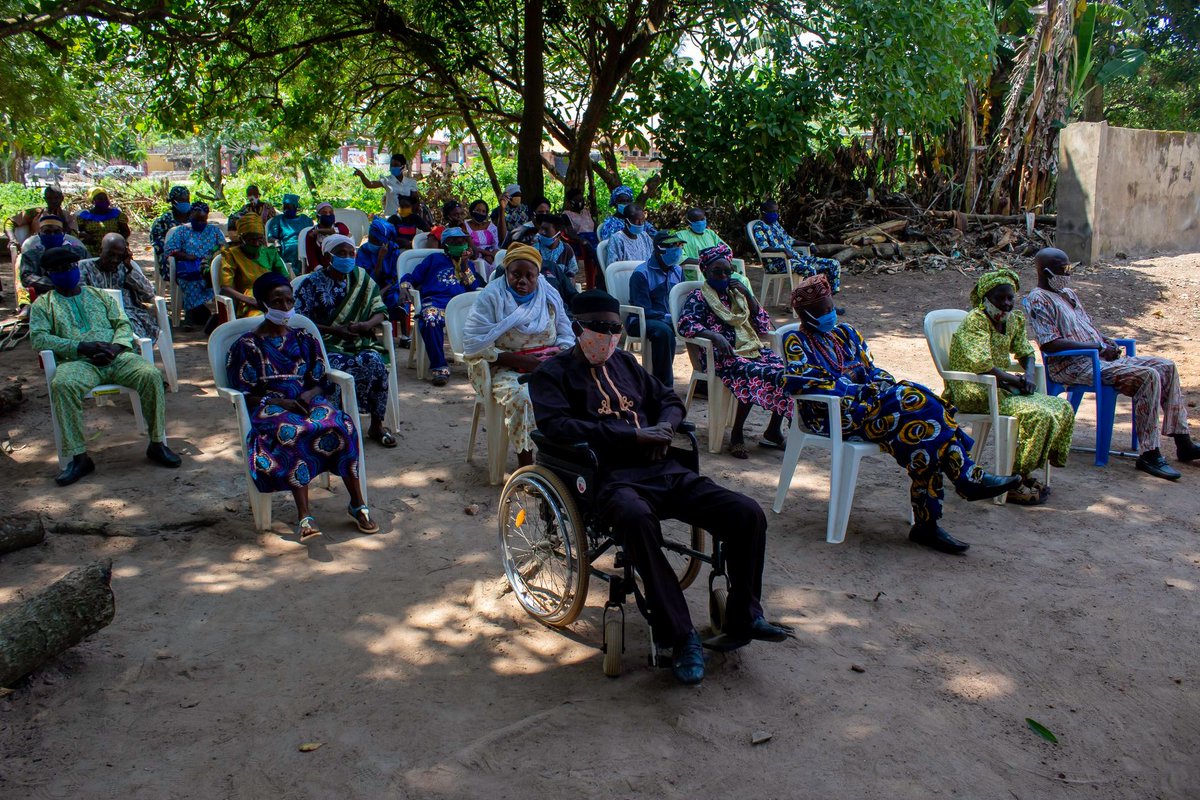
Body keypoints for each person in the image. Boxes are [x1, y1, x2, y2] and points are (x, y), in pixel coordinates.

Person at [529, 289, 792, 685]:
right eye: (598, 328)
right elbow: (556, 427)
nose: (607, 336)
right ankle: (680, 636)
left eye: (614, 329)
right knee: (636, 520)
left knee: (746, 513)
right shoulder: (553, 374)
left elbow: (668, 398)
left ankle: (744, 616)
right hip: (609, 478)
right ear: (578, 327)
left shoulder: (626, 364)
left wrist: (666, 427)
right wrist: (630, 437)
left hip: (664, 470)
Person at [784, 275, 1020, 554]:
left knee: (925, 430)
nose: (830, 314)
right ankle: (963, 480)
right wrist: (862, 391)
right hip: (836, 416)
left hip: (875, 408)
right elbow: (803, 382)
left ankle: (928, 524)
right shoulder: (795, 340)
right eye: (822, 311)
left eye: (831, 307)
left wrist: (881, 384)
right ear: (807, 314)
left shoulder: (845, 333)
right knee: (919, 401)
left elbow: (873, 369)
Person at [1023, 247, 1200, 481]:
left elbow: (1088, 327)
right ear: (1046, 272)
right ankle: (1150, 453)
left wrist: (1106, 342)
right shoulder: (1039, 299)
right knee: (1147, 376)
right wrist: (1096, 348)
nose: (1068, 274)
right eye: (1062, 270)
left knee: (1166, 366)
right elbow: (1050, 344)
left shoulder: (1067, 293)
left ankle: (1182, 440)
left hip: (1100, 359)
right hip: (1075, 366)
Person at [225, 271, 379, 538]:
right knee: (294, 431)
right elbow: (244, 391)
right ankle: (304, 515)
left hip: (306, 398)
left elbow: (320, 379)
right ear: (263, 304)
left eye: (289, 300)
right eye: (277, 301)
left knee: (342, 425)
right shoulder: (247, 345)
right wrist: (280, 401)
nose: (285, 307)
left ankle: (357, 503)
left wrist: (309, 395)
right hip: (270, 405)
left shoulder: (304, 338)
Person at [29, 246, 181, 486]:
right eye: (57, 270)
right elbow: (39, 338)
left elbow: (122, 324)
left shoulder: (99, 295)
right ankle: (79, 457)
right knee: (62, 385)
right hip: (78, 362)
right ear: (49, 274)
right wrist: (80, 347)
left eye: (69, 268)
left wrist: (117, 347)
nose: (65, 273)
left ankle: (157, 443)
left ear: (76, 268)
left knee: (150, 375)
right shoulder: (44, 305)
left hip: (116, 357)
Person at [946, 269, 1075, 504]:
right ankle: (1013, 479)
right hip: (976, 390)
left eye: (1010, 298)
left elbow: (1026, 351)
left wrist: (1028, 375)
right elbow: (982, 365)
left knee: (1061, 408)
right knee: (1037, 414)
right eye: (1000, 298)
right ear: (986, 299)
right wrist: (1016, 381)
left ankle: (1025, 473)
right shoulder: (976, 321)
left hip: (1003, 389)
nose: (1006, 304)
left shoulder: (1013, 320)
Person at [462, 243, 575, 468]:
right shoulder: (492, 296)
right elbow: (474, 344)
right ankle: (527, 464)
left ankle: (564, 458)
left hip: (548, 364)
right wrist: (520, 361)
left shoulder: (549, 293)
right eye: (516, 275)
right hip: (504, 367)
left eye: (529, 276)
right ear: (506, 273)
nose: (522, 281)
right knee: (524, 396)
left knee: (581, 386)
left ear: (538, 276)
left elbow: (566, 333)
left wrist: (557, 355)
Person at [678, 244, 790, 457]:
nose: (723, 275)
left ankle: (773, 430)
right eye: (717, 272)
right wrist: (714, 335)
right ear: (705, 271)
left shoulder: (736, 295)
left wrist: (748, 295)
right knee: (752, 372)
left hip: (750, 348)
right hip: (721, 355)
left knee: (785, 373)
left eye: (727, 271)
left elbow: (763, 325)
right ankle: (736, 433)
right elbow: (685, 324)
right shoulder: (699, 297)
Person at [294, 235, 397, 448]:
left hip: (360, 340)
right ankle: (335, 425)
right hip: (325, 343)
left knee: (375, 362)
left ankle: (376, 424)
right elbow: (301, 321)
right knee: (336, 366)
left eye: (351, 254)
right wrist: (335, 330)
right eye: (342, 253)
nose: (348, 258)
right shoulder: (311, 283)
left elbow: (380, 310)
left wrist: (367, 326)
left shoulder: (361, 278)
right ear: (328, 256)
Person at [397, 227, 484, 386]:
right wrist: (404, 287)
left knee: (485, 318)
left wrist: (464, 266)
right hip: (436, 302)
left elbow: (474, 288)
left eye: (463, 241)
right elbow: (412, 277)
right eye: (455, 242)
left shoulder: (468, 264)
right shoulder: (433, 259)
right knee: (430, 318)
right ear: (445, 245)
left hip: (460, 307)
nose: (461, 244)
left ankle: (479, 362)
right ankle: (439, 365)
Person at [626, 230, 686, 387]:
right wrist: (667, 318)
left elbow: (683, 300)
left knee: (700, 327)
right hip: (642, 320)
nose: (678, 249)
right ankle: (662, 386)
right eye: (674, 245)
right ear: (660, 248)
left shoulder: (678, 271)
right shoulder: (641, 273)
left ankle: (701, 380)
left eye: (680, 245)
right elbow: (642, 308)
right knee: (663, 331)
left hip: (669, 320)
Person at [78, 233, 159, 341]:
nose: (115, 260)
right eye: (110, 254)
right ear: (100, 250)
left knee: (131, 333)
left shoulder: (125, 268)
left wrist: (130, 269)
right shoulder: (84, 268)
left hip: (127, 315)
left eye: (119, 256)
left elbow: (149, 293)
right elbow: (80, 296)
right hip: (96, 317)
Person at [751, 199, 842, 293]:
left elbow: (791, 241)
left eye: (776, 211)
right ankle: (811, 303)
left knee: (833, 264)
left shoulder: (775, 225)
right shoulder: (759, 227)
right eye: (772, 212)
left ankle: (827, 300)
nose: (775, 214)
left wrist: (809, 244)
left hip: (796, 259)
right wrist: (784, 250)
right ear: (763, 213)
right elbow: (764, 248)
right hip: (777, 263)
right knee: (810, 270)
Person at [164, 201, 226, 325]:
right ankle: (195, 314)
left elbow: (224, 248)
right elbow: (170, 250)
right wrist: (186, 256)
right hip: (188, 266)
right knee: (191, 279)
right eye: (196, 220)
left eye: (203, 220)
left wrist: (213, 256)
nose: (200, 223)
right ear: (190, 216)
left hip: (208, 266)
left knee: (208, 275)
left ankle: (194, 313)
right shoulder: (182, 231)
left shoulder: (214, 231)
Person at [219, 214, 291, 318]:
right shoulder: (232, 255)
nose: (257, 244)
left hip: (275, 297)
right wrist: (252, 301)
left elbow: (285, 278)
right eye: (252, 240)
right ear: (242, 239)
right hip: (249, 302)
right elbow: (225, 288)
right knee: (261, 319)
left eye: (260, 239)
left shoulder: (270, 253)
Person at [356, 217, 410, 346]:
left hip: (389, 285)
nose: (372, 242)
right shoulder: (364, 251)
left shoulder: (393, 250)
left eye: (376, 240)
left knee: (398, 295)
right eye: (371, 238)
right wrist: (380, 259)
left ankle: (405, 336)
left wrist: (385, 289)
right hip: (369, 284)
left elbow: (397, 274)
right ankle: (370, 332)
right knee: (367, 295)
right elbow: (367, 278)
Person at [20, 216, 89, 304]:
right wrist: (59, 285)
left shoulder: (78, 252)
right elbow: (27, 278)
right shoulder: (31, 255)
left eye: (56, 232)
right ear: (40, 234)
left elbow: (90, 269)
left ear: (63, 234)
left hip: (80, 295)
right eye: (47, 232)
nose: (52, 235)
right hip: (47, 298)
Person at [353, 153, 417, 217]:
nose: (393, 168)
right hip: (390, 218)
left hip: (406, 220)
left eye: (395, 165)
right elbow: (370, 184)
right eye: (391, 165)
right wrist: (362, 175)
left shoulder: (411, 182)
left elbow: (415, 202)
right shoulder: (387, 180)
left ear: (402, 166)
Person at [562, 187, 600, 289]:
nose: (581, 202)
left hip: (593, 238)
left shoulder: (587, 212)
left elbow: (595, 227)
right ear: (570, 202)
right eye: (578, 200)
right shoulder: (566, 215)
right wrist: (582, 240)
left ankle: (600, 278)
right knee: (590, 248)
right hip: (579, 241)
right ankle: (593, 279)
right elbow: (569, 232)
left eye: (582, 199)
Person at [76, 188, 131, 257]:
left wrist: (116, 241)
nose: (104, 201)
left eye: (105, 198)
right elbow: (77, 232)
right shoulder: (85, 216)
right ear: (93, 201)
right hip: (91, 251)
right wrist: (85, 236)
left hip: (113, 250)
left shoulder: (116, 214)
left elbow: (126, 231)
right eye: (100, 199)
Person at [266, 194, 312, 275]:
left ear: (295, 207)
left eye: (289, 207)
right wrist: (276, 241)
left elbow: (311, 233)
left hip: (305, 246)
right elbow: (271, 237)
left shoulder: (305, 219)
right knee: (293, 249)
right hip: (286, 248)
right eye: (284, 206)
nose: (286, 209)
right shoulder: (278, 220)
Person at [302, 202, 351, 272]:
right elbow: (311, 258)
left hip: (339, 269)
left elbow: (343, 231)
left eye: (331, 213)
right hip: (319, 271)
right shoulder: (311, 234)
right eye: (324, 213)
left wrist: (319, 231)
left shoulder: (340, 226)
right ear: (318, 216)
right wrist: (322, 271)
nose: (328, 215)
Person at [150, 186, 192, 266]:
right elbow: (159, 244)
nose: (185, 203)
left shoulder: (194, 218)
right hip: (172, 259)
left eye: (187, 200)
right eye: (181, 200)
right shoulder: (163, 221)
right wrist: (181, 253)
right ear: (173, 202)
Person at [466, 199, 505, 265]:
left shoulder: (491, 226)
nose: (481, 213)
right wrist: (485, 253)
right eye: (478, 210)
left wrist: (492, 256)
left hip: (491, 256)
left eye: (483, 211)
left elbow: (496, 245)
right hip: (474, 257)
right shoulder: (465, 226)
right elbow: (467, 246)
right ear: (471, 211)